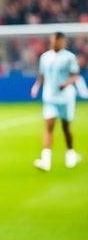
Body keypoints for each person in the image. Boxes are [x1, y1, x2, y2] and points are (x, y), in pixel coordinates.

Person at [31, 31, 82, 171]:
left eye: (56, 40)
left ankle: (70, 154)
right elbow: (42, 75)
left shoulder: (69, 57)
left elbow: (75, 75)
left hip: (65, 98)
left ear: (62, 41)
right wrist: (36, 87)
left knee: (66, 128)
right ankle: (45, 162)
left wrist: (66, 83)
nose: (53, 42)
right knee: (49, 127)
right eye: (52, 40)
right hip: (50, 97)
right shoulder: (45, 57)